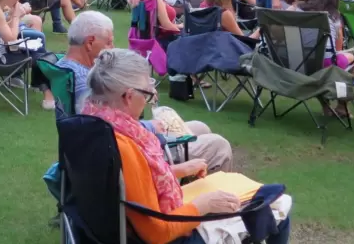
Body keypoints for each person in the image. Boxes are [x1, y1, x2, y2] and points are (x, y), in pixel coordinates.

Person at [81, 49, 290, 244]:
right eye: (147, 94)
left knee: (249, 197)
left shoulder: (88, 125)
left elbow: (129, 186)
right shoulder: (125, 145)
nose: (149, 100)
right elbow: (157, 234)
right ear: (127, 96)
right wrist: (204, 205)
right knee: (274, 207)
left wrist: (176, 172)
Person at [61, 14, 232, 173]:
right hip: (133, 153)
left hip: (121, 144)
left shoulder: (65, 68)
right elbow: (107, 132)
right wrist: (149, 125)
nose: (112, 48)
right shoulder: (86, 83)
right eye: (109, 43)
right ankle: (209, 197)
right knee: (219, 145)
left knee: (201, 127)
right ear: (90, 42)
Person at [299, 0, 354, 72]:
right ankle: (344, 85)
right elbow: (337, 49)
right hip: (325, 64)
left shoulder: (297, 11)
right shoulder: (334, 17)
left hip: (299, 62)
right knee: (351, 56)